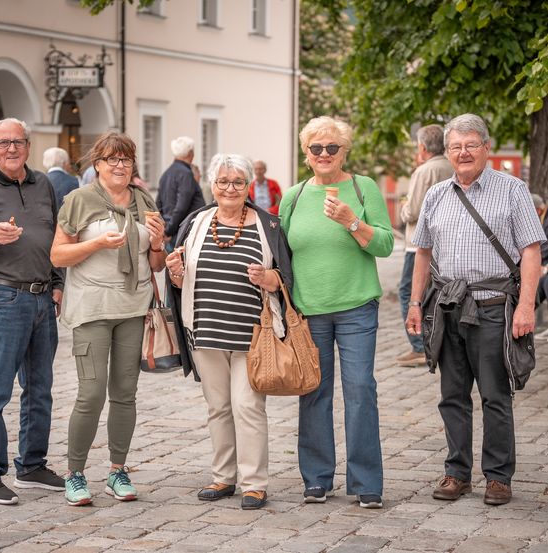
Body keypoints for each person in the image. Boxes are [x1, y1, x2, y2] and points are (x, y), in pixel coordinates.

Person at [406, 113, 545, 506]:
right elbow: (423, 254)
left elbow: (531, 252)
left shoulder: (513, 190)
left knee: (495, 396)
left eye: (470, 145)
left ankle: (499, 477)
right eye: (455, 146)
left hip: (493, 308)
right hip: (447, 307)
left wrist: (526, 307)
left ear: (486, 147)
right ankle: (456, 472)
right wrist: (416, 303)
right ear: (447, 152)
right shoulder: (436, 194)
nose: (463, 152)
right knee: (452, 395)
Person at [279, 116, 394, 509]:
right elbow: (283, 254)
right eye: (317, 148)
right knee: (313, 392)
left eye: (332, 148)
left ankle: (366, 482)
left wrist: (351, 221)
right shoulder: (293, 197)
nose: (324, 154)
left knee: (361, 390)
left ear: (345, 152)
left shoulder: (363, 189)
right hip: (309, 311)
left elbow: (384, 245)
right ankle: (316, 478)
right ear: (306, 154)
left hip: (357, 307)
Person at [166, 153, 292, 510]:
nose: (230, 188)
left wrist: (271, 279)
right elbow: (179, 279)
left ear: (248, 185)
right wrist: (175, 272)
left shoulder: (267, 226)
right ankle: (224, 476)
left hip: (252, 335)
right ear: (212, 185)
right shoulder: (196, 222)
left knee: (247, 405)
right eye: (223, 182)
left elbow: (285, 277)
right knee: (218, 406)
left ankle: (254, 482)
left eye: (238, 182)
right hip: (205, 332)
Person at [50, 131, 167, 506]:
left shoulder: (144, 200)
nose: (120, 166)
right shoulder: (79, 200)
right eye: (112, 160)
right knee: (91, 393)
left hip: (133, 308)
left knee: (124, 393)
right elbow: (57, 256)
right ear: (97, 164)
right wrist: (97, 243)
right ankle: (76, 474)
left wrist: (161, 243)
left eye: (126, 160)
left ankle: (118, 471)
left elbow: (156, 264)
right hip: (91, 309)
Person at [0, 117, 65, 505]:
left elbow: (55, 235)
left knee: (40, 388)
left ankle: (32, 465)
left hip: (42, 299)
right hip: (3, 298)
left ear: (28, 144)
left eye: (17, 141)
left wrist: (57, 285)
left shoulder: (44, 183)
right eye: (2, 142)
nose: (10, 149)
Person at [397, 125, 453, 367]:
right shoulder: (452, 167)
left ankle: (419, 346)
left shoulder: (424, 171)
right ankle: (439, 343)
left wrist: (403, 206)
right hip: (447, 242)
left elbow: (413, 211)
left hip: (419, 244)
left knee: (409, 293)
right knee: (438, 293)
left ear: (422, 146)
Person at [156, 136, 205, 251]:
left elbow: (158, 204)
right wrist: (169, 231)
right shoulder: (186, 174)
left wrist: (164, 228)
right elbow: (182, 206)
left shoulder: (166, 173)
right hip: (181, 231)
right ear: (190, 153)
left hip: (171, 228)